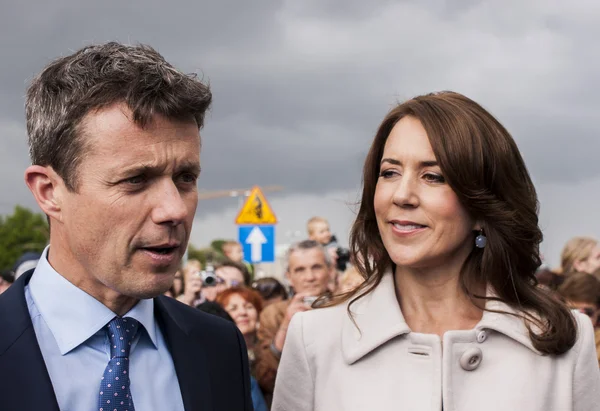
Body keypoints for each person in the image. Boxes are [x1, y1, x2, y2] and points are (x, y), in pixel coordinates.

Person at [272, 91, 600, 411]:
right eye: (389, 172)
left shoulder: (565, 339)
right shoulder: (314, 338)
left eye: (433, 176)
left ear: (484, 207)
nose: (402, 195)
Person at [0, 42, 252, 411]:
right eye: (136, 180)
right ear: (49, 191)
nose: (174, 209)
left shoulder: (218, 346)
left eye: (185, 177)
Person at [256, 239, 331, 404]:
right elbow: (265, 379)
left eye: (316, 267)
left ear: (329, 270)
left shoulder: (348, 308)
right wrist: (286, 324)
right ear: (289, 277)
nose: (309, 277)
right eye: (300, 270)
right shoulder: (273, 314)